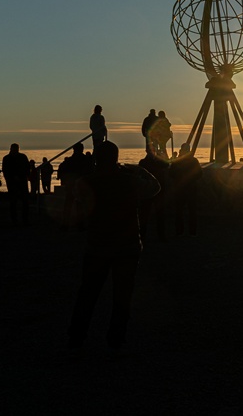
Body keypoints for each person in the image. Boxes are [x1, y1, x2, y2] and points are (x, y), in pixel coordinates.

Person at [67, 140, 159, 352]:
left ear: (96, 158)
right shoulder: (130, 181)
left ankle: (76, 336)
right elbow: (154, 188)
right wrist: (139, 170)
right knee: (122, 295)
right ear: (116, 158)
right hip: (127, 245)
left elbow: (77, 196)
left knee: (88, 292)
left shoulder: (86, 182)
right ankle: (116, 339)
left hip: (97, 244)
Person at [138, 147, 170, 242]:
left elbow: (167, 164)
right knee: (145, 215)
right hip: (149, 192)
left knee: (158, 215)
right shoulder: (144, 162)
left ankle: (160, 235)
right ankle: (144, 236)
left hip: (154, 191)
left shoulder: (145, 162)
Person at [170, 144, 202, 236]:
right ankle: (192, 231)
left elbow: (171, 174)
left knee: (179, 211)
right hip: (191, 189)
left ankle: (179, 231)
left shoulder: (177, 161)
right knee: (192, 211)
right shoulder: (194, 161)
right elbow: (199, 174)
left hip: (180, 189)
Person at [59, 143, 93, 228]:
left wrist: (65, 181)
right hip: (81, 185)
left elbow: (62, 171)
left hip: (71, 184)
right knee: (80, 205)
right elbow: (90, 172)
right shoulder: (86, 160)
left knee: (68, 205)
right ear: (82, 149)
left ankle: (65, 224)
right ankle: (80, 224)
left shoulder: (68, 161)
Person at [3, 143, 31, 225]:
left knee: (24, 202)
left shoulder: (22, 157)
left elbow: (27, 167)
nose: (16, 150)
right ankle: (15, 220)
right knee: (14, 202)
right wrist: (11, 178)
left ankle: (24, 219)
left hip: (21, 182)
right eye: (15, 148)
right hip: (13, 183)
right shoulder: (7, 158)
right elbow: (6, 171)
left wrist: (26, 176)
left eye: (17, 148)